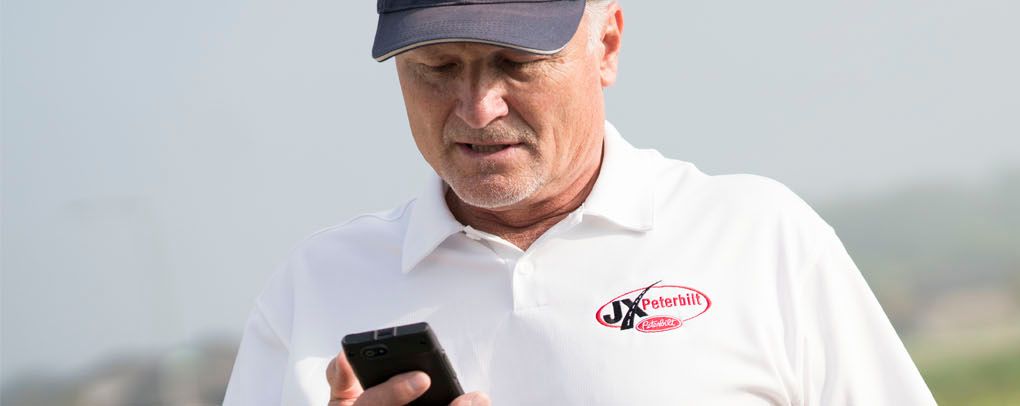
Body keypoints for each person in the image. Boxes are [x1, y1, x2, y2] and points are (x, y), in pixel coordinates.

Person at [221, 0, 935, 404]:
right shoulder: (313, 288)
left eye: (516, 63)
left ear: (608, 46)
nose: (477, 107)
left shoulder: (759, 238)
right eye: (435, 68)